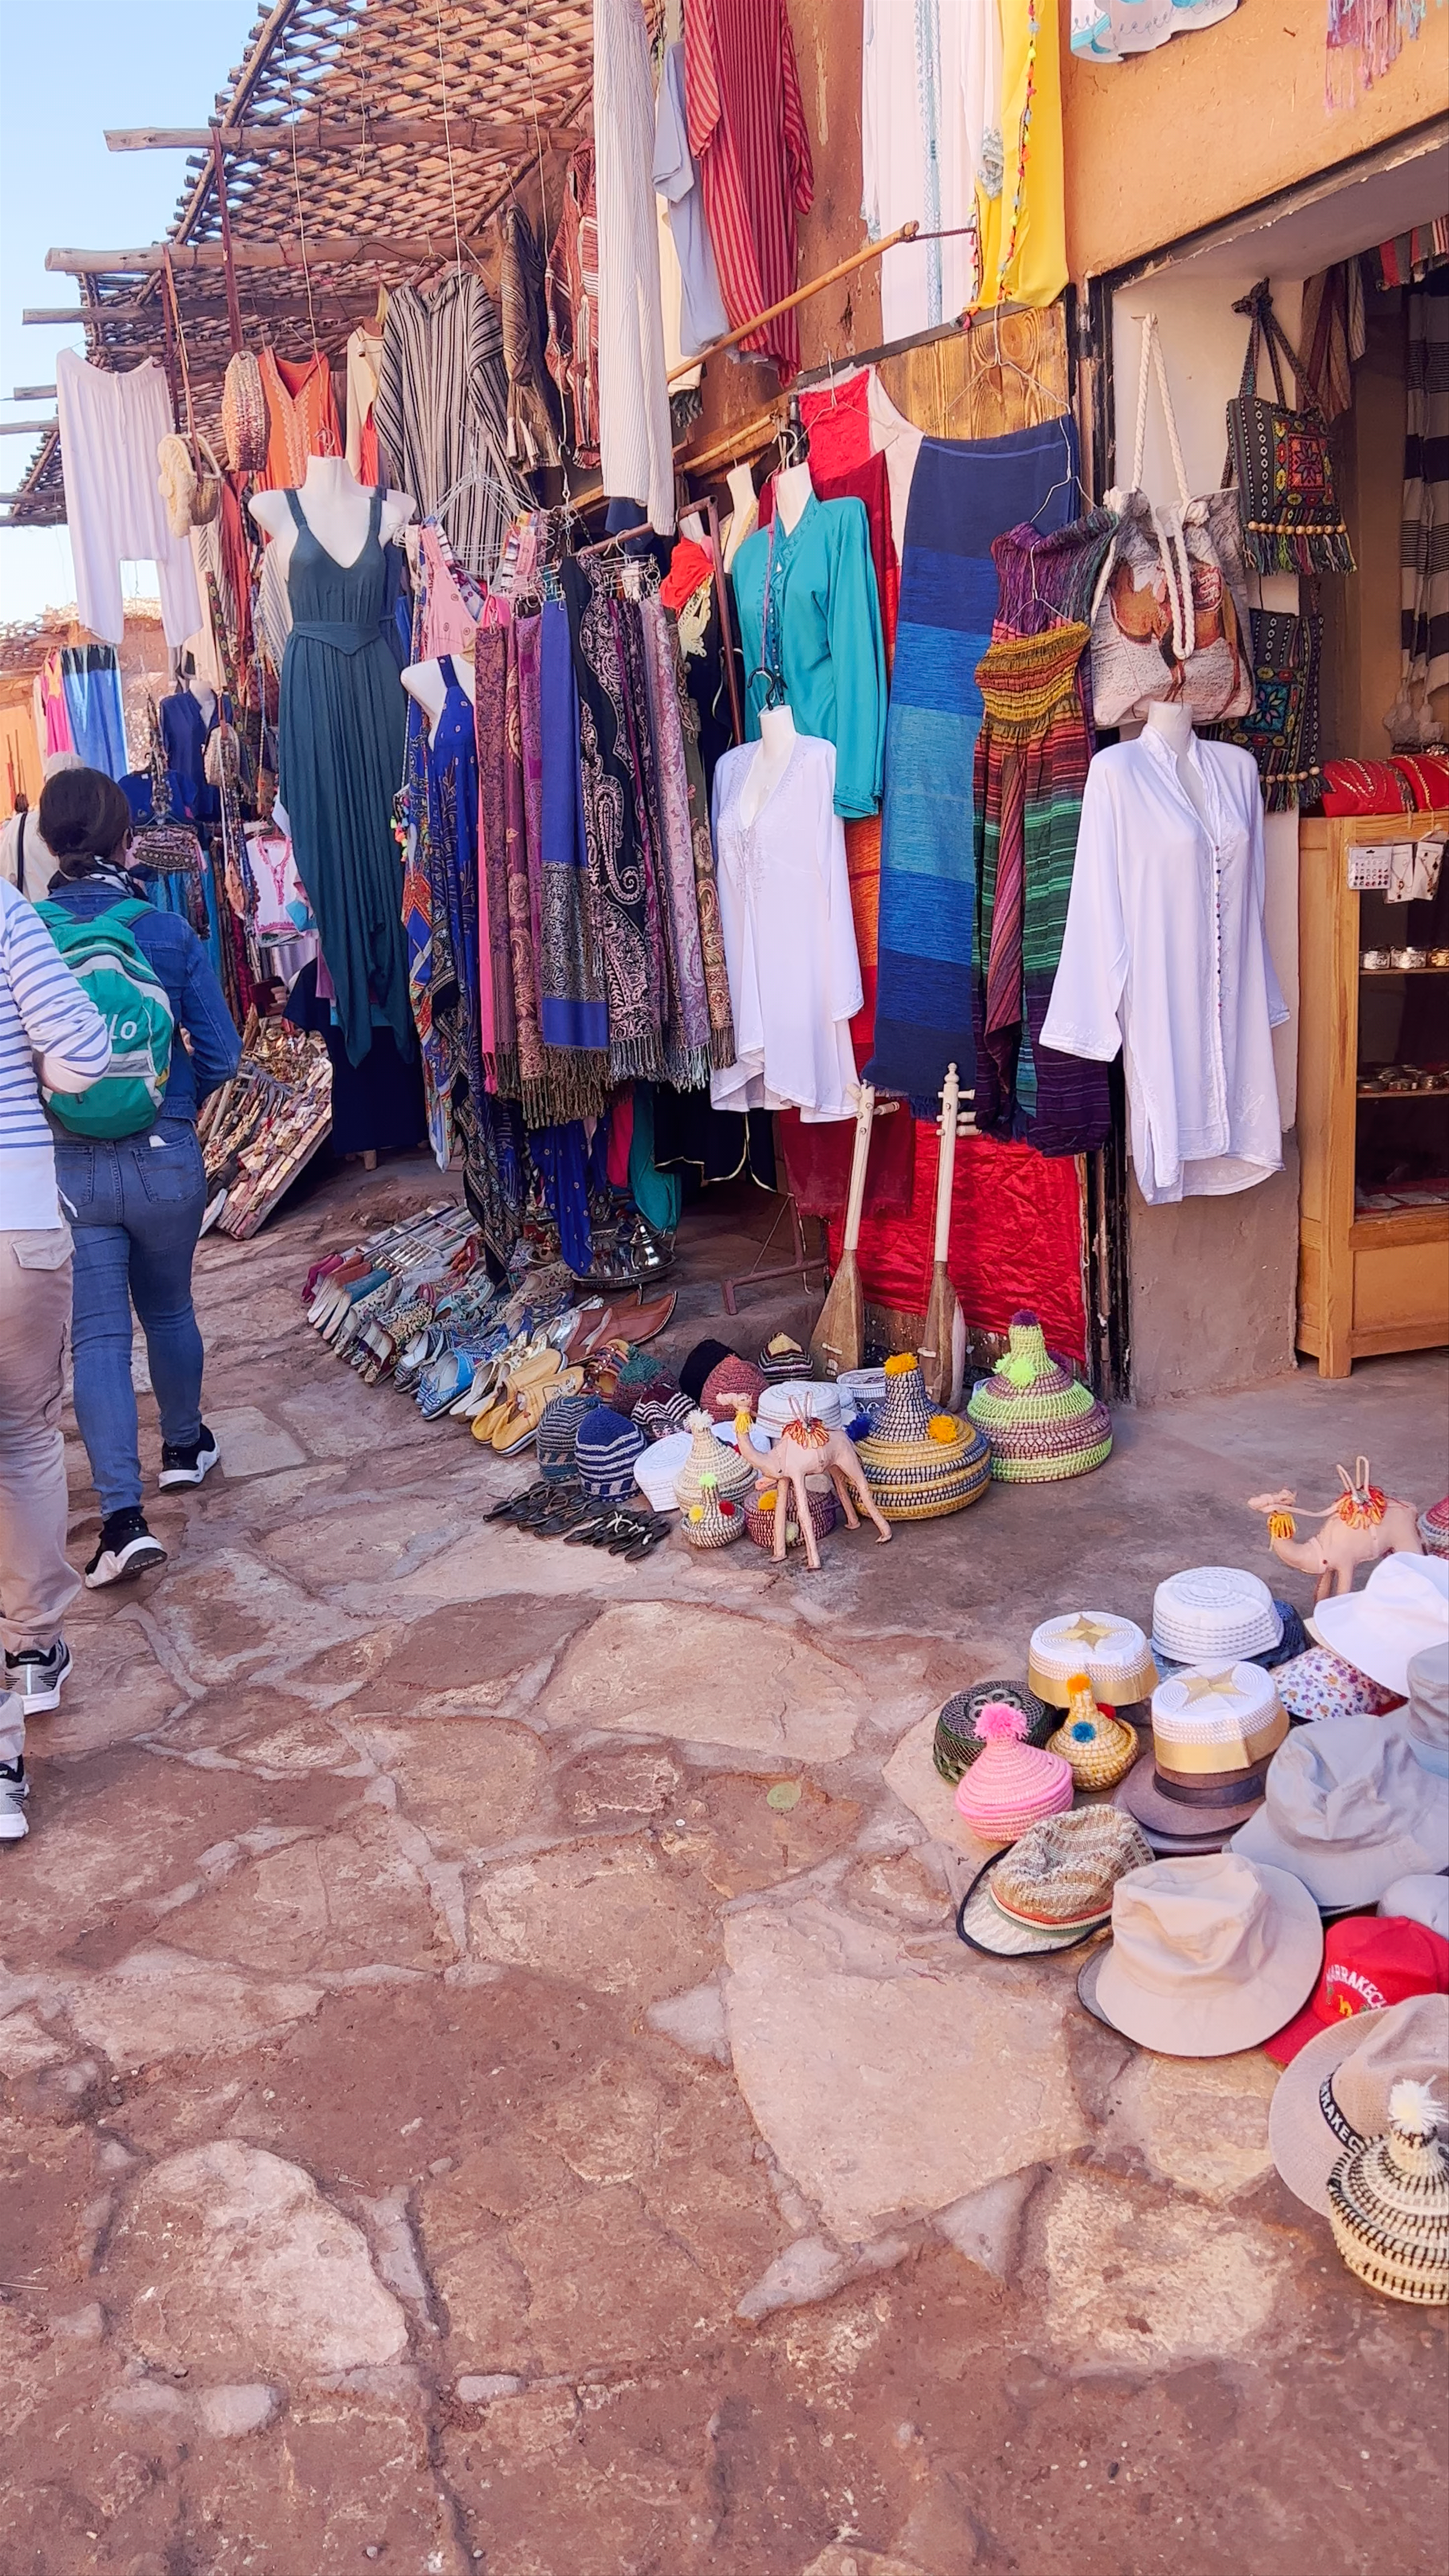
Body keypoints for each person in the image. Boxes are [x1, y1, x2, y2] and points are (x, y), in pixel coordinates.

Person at [38, 766, 241, 1588]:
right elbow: (223, 1053)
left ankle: (122, 1520)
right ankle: (185, 1444)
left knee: (97, 1341)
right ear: (128, 841)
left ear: (50, 843)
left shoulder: (29, 936)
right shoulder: (164, 931)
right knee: (171, 1307)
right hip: (166, 1157)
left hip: (72, 1169)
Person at [0, 873, 111, 1841]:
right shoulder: (0, 907)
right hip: (18, 1217)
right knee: (26, 1440)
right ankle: (33, 1654)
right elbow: (82, 1047)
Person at [0, 752, 84, 905]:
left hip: (37, 923)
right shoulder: (97, 826)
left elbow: (6, 885)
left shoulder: (20, 827)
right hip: (94, 923)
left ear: (46, 783)